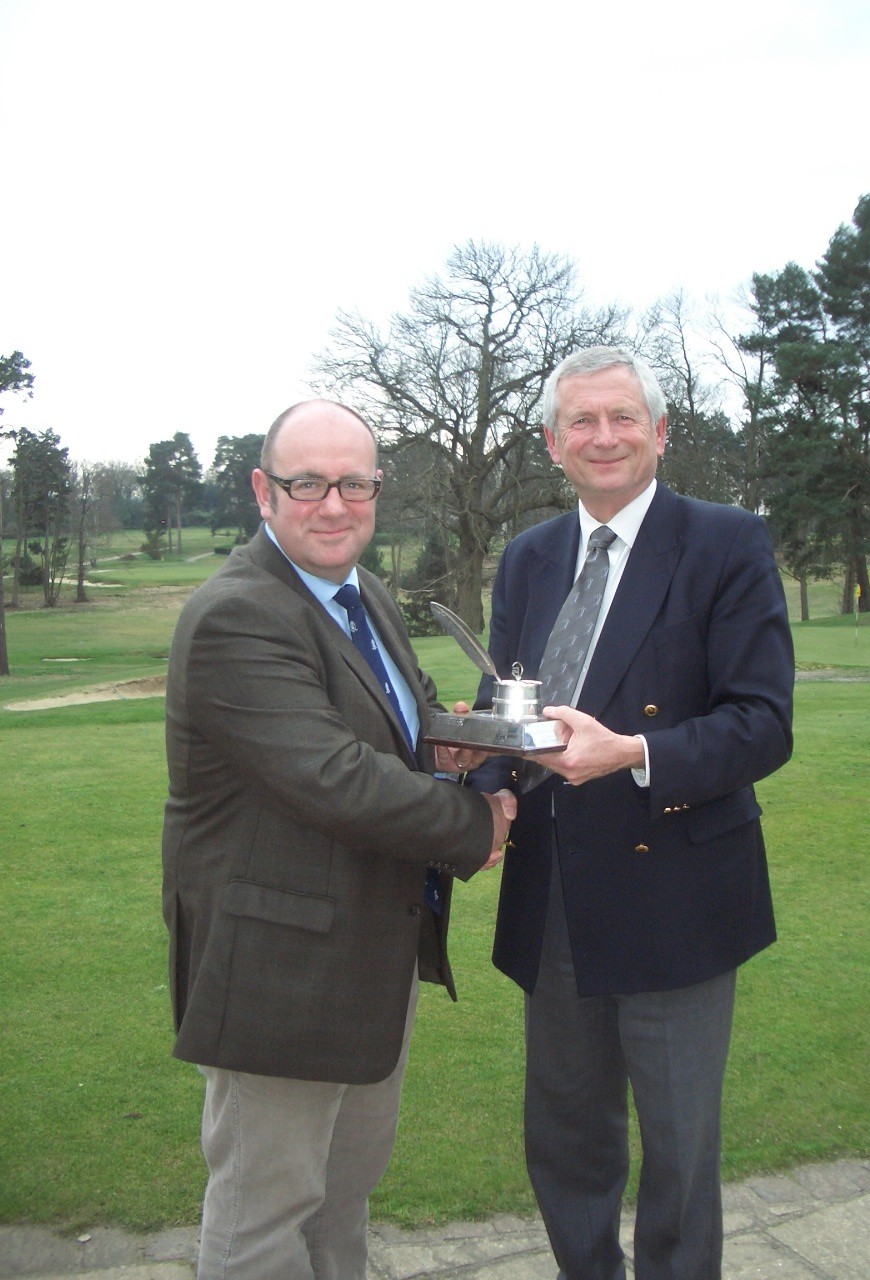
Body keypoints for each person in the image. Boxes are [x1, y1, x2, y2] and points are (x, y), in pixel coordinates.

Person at [161, 398, 515, 1280]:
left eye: (354, 483)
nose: (333, 503)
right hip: (278, 972)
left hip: (369, 952)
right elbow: (332, 777)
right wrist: (480, 822)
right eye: (307, 482)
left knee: (342, 1203)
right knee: (262, 1220)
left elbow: (399, 726)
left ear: (377, 490)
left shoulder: (365, 596)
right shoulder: (238, 615)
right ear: (263, 490)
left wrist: (469, 737)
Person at [471, 347, 794, 1280]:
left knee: (680, 1153)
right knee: (567, 1139)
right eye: (582, 420)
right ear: (552, 443)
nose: (602, 436)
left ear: (659, 432)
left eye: (622, 417)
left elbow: (763, 724)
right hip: (556, 895)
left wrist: (633, 753)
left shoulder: (726, 542)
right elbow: (509, 714)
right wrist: (485, 782)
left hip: (679, 894)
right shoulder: (528, 559)